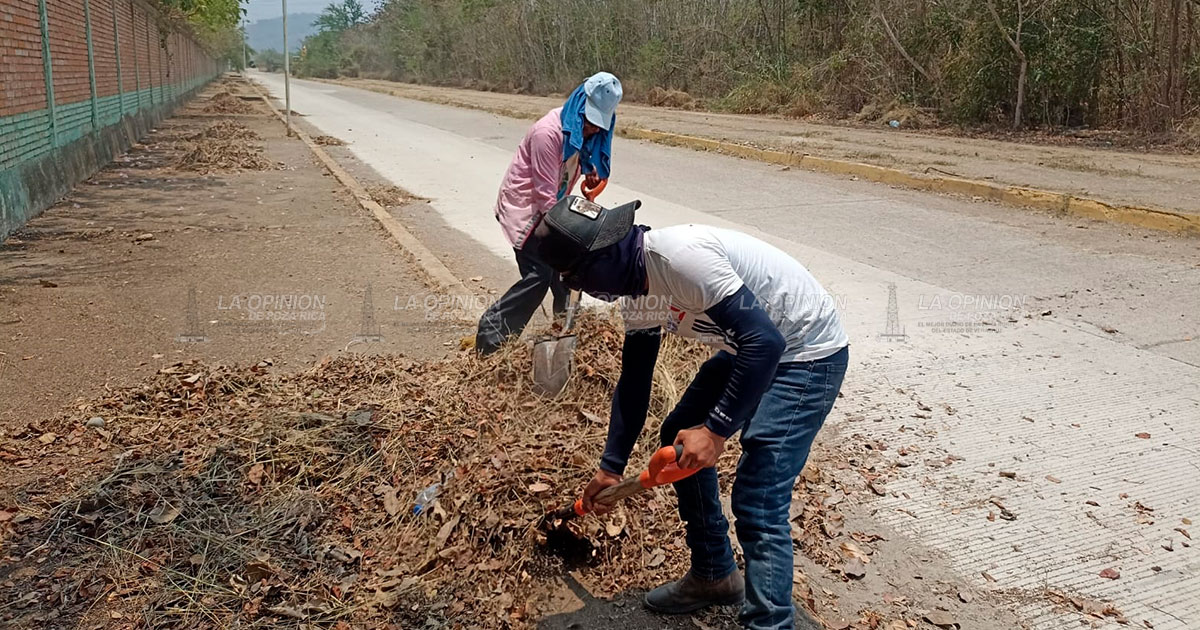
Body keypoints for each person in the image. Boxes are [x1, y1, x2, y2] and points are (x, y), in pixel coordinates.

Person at [533, 196, 850, 630]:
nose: (586, 291)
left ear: (601, 260)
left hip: (807, 351)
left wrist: (716, 430)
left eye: (577, 278)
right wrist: (610, 467)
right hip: (749, 349)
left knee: (759, 497)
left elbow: (767, 343)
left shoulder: (681, 259)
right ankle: (715, 574)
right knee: (677, 438)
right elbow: (635, 381)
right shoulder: (637, 290)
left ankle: (770, 624)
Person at [474, 72, 623, 355]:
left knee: (569, 276)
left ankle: (565, 336)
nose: (592, 129)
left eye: (598, 124)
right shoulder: (549, 133)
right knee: (538, 275)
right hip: (526, 208)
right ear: (579, 104)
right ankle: (491, 342)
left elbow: (568, 176)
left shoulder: (582, 135)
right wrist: (575, 233)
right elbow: (544, 197)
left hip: (553, 209)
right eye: (589, 121)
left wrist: (589, 180)